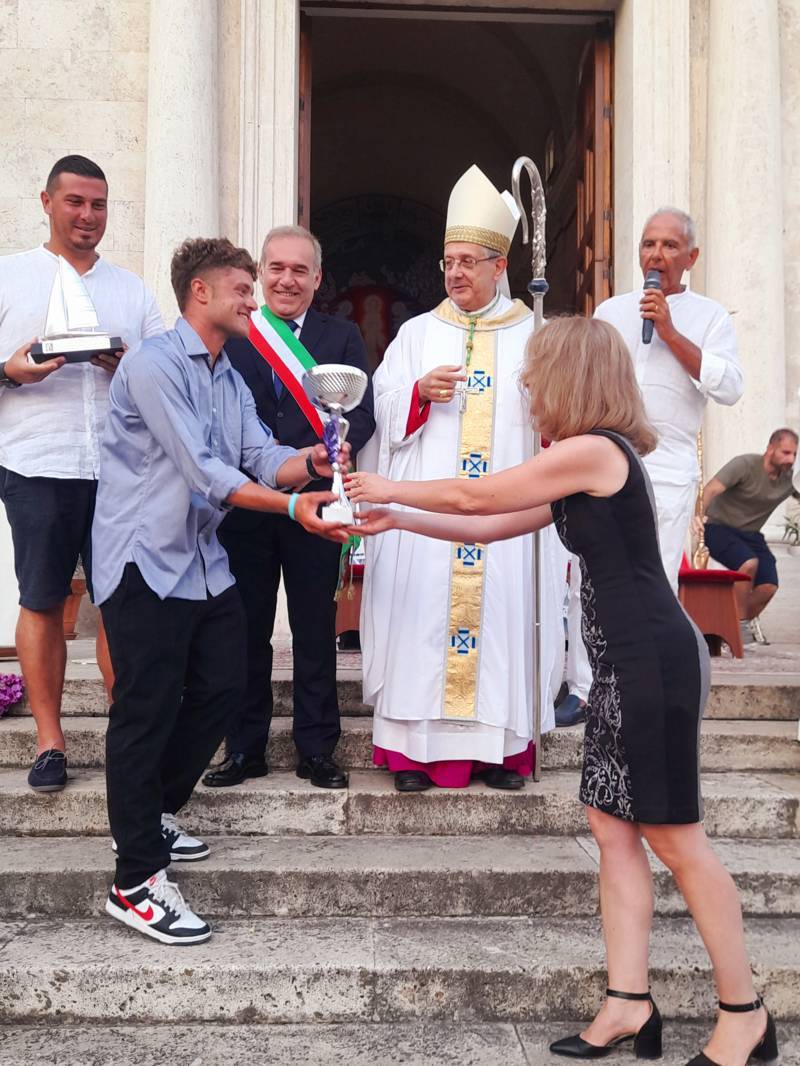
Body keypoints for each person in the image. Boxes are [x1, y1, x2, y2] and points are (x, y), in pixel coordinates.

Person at [346, 316, 777, 1066]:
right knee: (611, 825)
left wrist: (385, 481)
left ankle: (745, 1015)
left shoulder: (595, 452)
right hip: (622, 664)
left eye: (537, 372)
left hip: (651, 662)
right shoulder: (580, 462)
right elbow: (486, 528)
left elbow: (478, 497)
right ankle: (627, 1003)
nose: (525, 384)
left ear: (572, 378)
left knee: (677, 839)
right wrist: (397, 517)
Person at [93, 238, 350, 946]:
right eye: (242, 288)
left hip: (202, 563)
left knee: (225, 686)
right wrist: (294, 507)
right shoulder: (155, 365)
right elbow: (207, 472)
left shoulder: (226, 375)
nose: (253, 300)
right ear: (200, 292)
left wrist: (312, 461)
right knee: (144, 711)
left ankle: (151, 813)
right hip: (145, 563)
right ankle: (134, 882)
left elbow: (259, 455)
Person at [356, 164, 565, 793]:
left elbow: (560, 425)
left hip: (507, 521)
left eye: (469, 262)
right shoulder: (417, 334)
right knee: (423, 623)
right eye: (448, 262)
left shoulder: (536, 334)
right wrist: (416, 395)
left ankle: (502, 752)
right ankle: (414, 755)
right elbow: (379, 411)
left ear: (500, 267)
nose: (455, 273)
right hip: (426, 523)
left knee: (502, 622)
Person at [0, 154, 163, 793]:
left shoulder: (131, 290)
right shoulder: (9, 277)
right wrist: (11, 372)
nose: (87, 216)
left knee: (121, 602)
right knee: (41, 598)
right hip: (36, 459)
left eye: (98, 205)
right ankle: (49, 742)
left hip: (119, 468)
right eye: (74, 202)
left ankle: (129, 738)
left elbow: (165, 378)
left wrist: (127, 365)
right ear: (47, 202)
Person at [202, 225, 374, 791]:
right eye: (276, 268)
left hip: (316, 500)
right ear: (260, 273)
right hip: (245, 503)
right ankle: (243, 748)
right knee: (244, 630)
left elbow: (361, 412)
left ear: (317, 278)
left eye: (300, 270)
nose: (287, 280)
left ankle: (317, 749)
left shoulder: (340, 335)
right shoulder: (236, 331)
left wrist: (341, 446)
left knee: (314, 629)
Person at [594, 207, 743, 590]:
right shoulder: (610, 312)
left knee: (653, 584)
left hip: (666, 470)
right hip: (604, 461)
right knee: (596, 579)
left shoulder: (711, 317)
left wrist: (670, 333)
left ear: (691, 257)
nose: (656, 254)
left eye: (670, 245)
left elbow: (730, 388)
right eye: (649, 244)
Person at [699, 428, 799, 645]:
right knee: (748, 563)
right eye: (785, 453)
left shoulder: (790, 479)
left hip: (751, 534)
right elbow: (711, 489)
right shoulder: (745, 465)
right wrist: (697, 518)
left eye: (794, 454)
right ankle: (739, 630)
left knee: (768, 585)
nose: (790, 459)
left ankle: (729, 627)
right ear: (770, 448)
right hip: (717, 527)